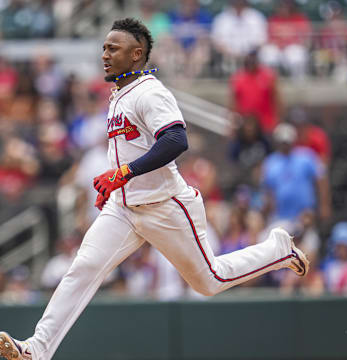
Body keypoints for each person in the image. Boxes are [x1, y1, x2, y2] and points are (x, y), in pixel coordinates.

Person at [0, 18, 309, 360]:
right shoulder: (118, 94)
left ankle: (278, 250)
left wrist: (124, 173)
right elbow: (130, 148)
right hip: (124, 208)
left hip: (166, 204)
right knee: (82, 268)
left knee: (209, 281)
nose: (104, 54)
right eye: (104, 47)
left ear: (136, 55)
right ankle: (37, 348)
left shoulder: (150, 92)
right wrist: (116, 184)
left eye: (112, 48)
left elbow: (176, 140)